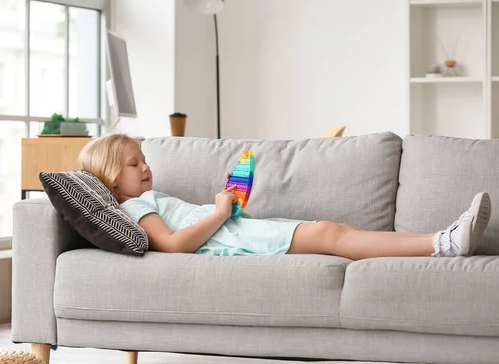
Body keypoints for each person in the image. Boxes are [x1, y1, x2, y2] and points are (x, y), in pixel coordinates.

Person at [79, 133, 492, 260]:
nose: (146, 167)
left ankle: (441, 239)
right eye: (135, 164)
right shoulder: (133, 207)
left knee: (336, 231)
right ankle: (441, 243)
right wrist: (221, 213)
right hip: (233, 237)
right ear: (112, 177)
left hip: (235, 231)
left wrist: (226, 209)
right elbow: (172, 245)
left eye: (144, 159)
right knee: (333, 235)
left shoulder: (143, 198)